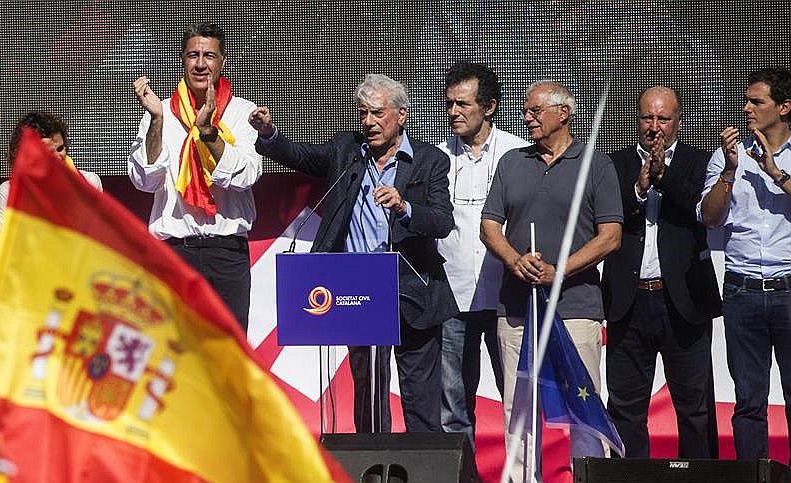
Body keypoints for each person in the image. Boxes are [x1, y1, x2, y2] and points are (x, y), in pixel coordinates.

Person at [250, 74, 457, 433]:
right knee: (369, 397)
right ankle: (375, 470)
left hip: (413, 291)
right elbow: (301, 156)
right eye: (363, 113)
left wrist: (405, 206)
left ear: (402, 115)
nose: (368, 123)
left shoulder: (429, 160)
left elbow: (441, 221)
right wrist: (269, 134)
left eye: (377, 113)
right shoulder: (347, 150)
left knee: (421, 400)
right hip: (358, 292)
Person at [480, 80, 622, 482]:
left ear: (564, 113)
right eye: (526, 111)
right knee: (519, 408)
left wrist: (560, 271)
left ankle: (587, 476)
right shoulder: (512, 162)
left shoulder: (596, 163)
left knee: (583, 405)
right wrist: (513, 260)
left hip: (575, 308)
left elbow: (610, 235)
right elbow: (489, 225)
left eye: (534, 111)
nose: (526, 118)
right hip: (517, 309)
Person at [601, 86, 721, 458]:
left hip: (682, 300)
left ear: (679, 123)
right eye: (647, 118)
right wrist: (639, 188)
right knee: (625, 406)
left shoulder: (699, 162)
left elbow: (702, 213)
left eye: (663, 119)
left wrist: (662, 176)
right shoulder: (615, 163)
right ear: (637, 121)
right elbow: (605, 218)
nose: (655, 127)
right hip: (629, 300)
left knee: (694, 407)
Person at [128, 22, 262, 332]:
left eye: (209, 56)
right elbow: (144, 180)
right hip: (175, 253)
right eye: (193, 55)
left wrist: (208, 134)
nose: (200, 64)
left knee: (230, 360)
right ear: (182, 60)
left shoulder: (242, 113)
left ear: (223, 62)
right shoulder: (158, 111)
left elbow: (246, 175)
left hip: (227, 255)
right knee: (176, 359)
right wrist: (157, 121)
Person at [699, 67, 791, 462]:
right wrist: (730, 173)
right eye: (747, 100)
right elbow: (710, 217)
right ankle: (756, 474)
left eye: (758, 101)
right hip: (741, 290)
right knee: (749, 400)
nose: (747, 108)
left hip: (788, 287)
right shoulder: (727, 155)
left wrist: (776, 173)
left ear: (784, 107)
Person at [437, 62, 529, 448]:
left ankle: (520, 473)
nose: (453, 112)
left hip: (506, 295)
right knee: (453, 404)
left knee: (517, 398)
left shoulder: (517, 153)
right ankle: (464, 474)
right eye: (449, 104)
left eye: (463, 104)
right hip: (453, 294)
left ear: (488, 107)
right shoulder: (437, 157)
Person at [0, 111, 102, 236]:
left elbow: (96, 238)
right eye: (48, 153)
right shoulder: (8, 191)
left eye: (60, 149)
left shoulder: (89, 182)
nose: (58, 157)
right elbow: (7, 241)